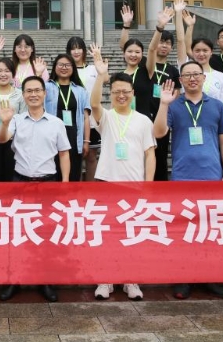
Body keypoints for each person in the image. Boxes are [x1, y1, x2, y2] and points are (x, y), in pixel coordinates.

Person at [154, 61, 223, 300]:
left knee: (210, 230)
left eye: (196, 74)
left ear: (203, 77)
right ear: (181, 80)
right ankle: (184, 278)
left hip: (212, 176)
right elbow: (158, 133)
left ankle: (211, 277)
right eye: (187, 75)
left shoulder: (217, 106)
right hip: (182, 176)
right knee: (186, 230)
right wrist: (163, 104)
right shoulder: (174, 105)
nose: (192, 78)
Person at [88, 45, 155, 301]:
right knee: (106, 233)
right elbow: (94, 103)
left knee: (133, 234)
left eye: (125, 91)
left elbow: (150, 154)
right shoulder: (106, 117)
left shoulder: (143, 120)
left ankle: (130, 279)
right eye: (116, 92)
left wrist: (149, 185)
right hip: (107, 182)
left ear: (133, 93)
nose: (121, 95)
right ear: (112, 93)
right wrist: (100, 75)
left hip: (134, 185)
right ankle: (105, 279)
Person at [0, 75, 70, 302]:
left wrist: (65, 183)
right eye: (29, 91)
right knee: (19, 232)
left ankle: (44, 280)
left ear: (45, 93)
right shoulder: (16, 120)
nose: (34, 94)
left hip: (48, 183)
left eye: (38, 90)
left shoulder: (56, 123)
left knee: (46, 233)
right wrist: (5, 123)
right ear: (23, 95)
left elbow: (64, 153)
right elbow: (1, 140)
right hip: (21, 182)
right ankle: (14, 280)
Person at [146, 4, 184, 181]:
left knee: (161, 154)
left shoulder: (173, 70)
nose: (164, 46)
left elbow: (177, 93)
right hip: (146, 114)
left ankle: (160, 185)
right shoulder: (148, 65)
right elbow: (151, 50)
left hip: (163, 116)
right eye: (162, 42)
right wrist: (160, 27)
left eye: (168, 43)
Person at [45, 54, 90, 182]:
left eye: (67, 65)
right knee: (53, 172)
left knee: (73, 173)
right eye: (60, 65)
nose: (64, 68)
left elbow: (86, 117)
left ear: (73, 68)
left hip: (74, 136)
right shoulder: (47, 87)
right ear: (55, 67)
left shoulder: (81, 91)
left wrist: (86, 141)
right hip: (52, 136)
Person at [185, 19, 223, 107]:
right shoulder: (211, 58)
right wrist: (190, 27)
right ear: (217, 42)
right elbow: (189, 51)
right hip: (219, 103)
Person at [66, 36, 99, 181]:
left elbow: (105, 78)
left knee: (91, 156)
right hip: (73, 119)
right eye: (72, 49)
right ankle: (76, 188)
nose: (76, 51)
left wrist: (98, 59)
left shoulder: (92, 68)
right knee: (74, 156)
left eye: (79, 48)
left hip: (92, 119)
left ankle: (91, 188)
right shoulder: (66, 70)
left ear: (84, 50)